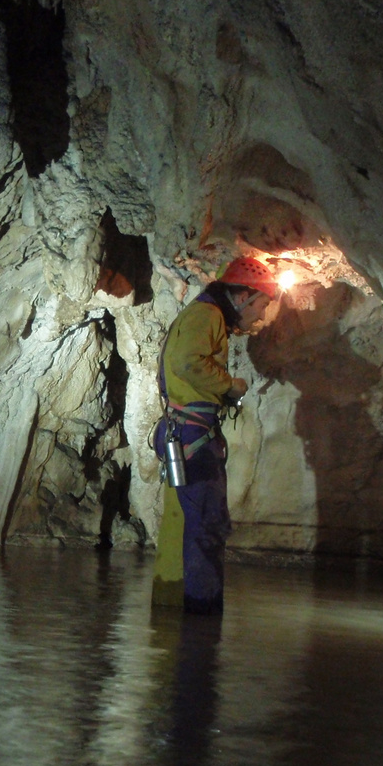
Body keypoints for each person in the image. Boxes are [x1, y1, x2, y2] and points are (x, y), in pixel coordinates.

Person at [152, 256, 279, 614]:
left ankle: (195, 629)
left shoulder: (206, 315)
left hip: (189, 430)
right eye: (262, 305)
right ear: (242, 295)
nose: (261, 316)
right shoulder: (207, 314)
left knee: (205, 524)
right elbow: (188, 363)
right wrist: (231, 386)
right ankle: (201, 622)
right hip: (192, 432)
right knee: (207, 528)